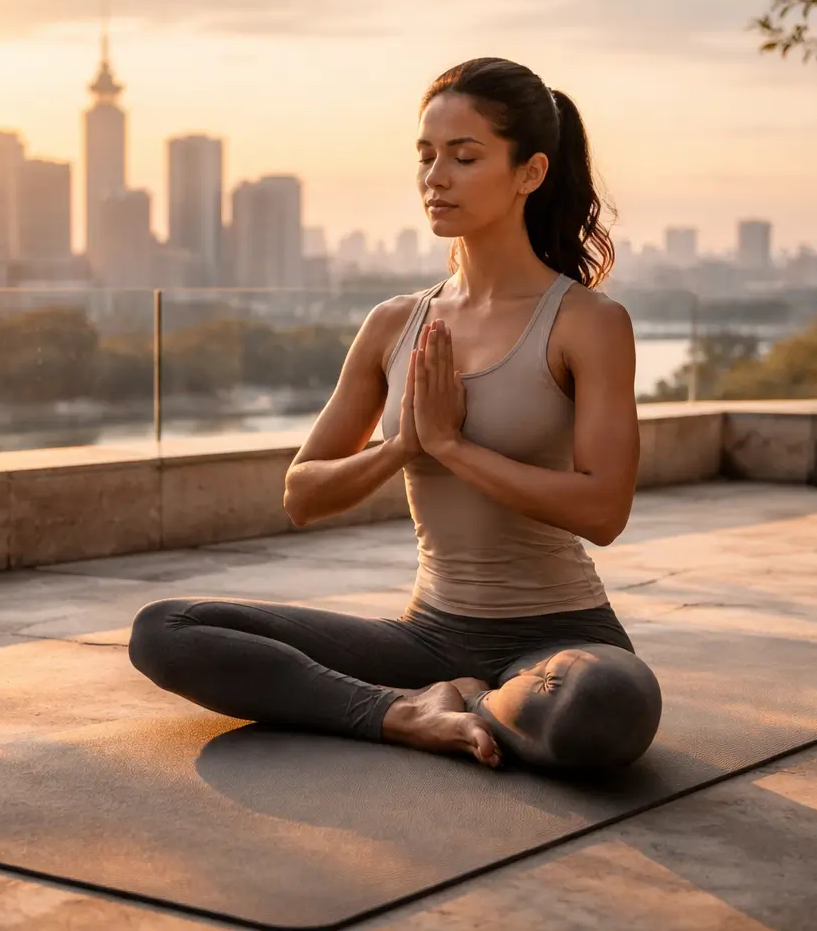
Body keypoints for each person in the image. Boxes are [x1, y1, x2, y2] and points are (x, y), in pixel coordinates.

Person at [129, 57, 661, 773]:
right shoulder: (394, 323)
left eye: (464, 157)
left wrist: (453, 446)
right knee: (166, 631)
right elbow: (303, 494)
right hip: (426, 638)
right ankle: (401, 712)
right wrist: (404, 446)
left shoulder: (586, 322)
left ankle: (473, 701)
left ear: (529, 173)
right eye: (426, 155)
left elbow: (604, 510)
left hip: (560, 639)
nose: (435, 177)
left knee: (607, 707)